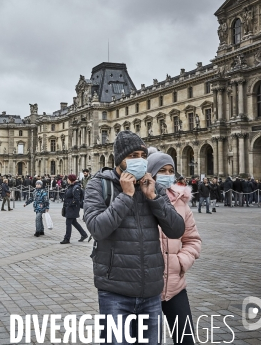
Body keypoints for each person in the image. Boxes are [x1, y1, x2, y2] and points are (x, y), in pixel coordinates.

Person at [83, 131, 185, 344]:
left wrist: (154, 198)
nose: (139, 160)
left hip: (151, 291)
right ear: (119, 159)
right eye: (132, 156)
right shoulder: (98, 185)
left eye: (142, 155)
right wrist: (126, 196)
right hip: (115, 292)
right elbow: (97, 229)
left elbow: (176, 230)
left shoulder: (153, 188)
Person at [147, 149, 201, 345]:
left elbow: (193, 240)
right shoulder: (142, 201)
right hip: (146, 288)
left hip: (175, 286)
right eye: (163, 170)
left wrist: (180, 262)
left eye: (171, 170)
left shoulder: (181, 203)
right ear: (151, 173)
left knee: (185, 339)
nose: (168, 175)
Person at [60, 174, 88, 244]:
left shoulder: (76, 188)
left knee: (68, 223)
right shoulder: (71, 186)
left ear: (70, 180)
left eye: (68, 179)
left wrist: (70, 204)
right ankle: (84, 234)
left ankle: (67, 238)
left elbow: (76, 199)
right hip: (69, 207)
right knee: (74, 222)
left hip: (72, 208)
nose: (67, 180)